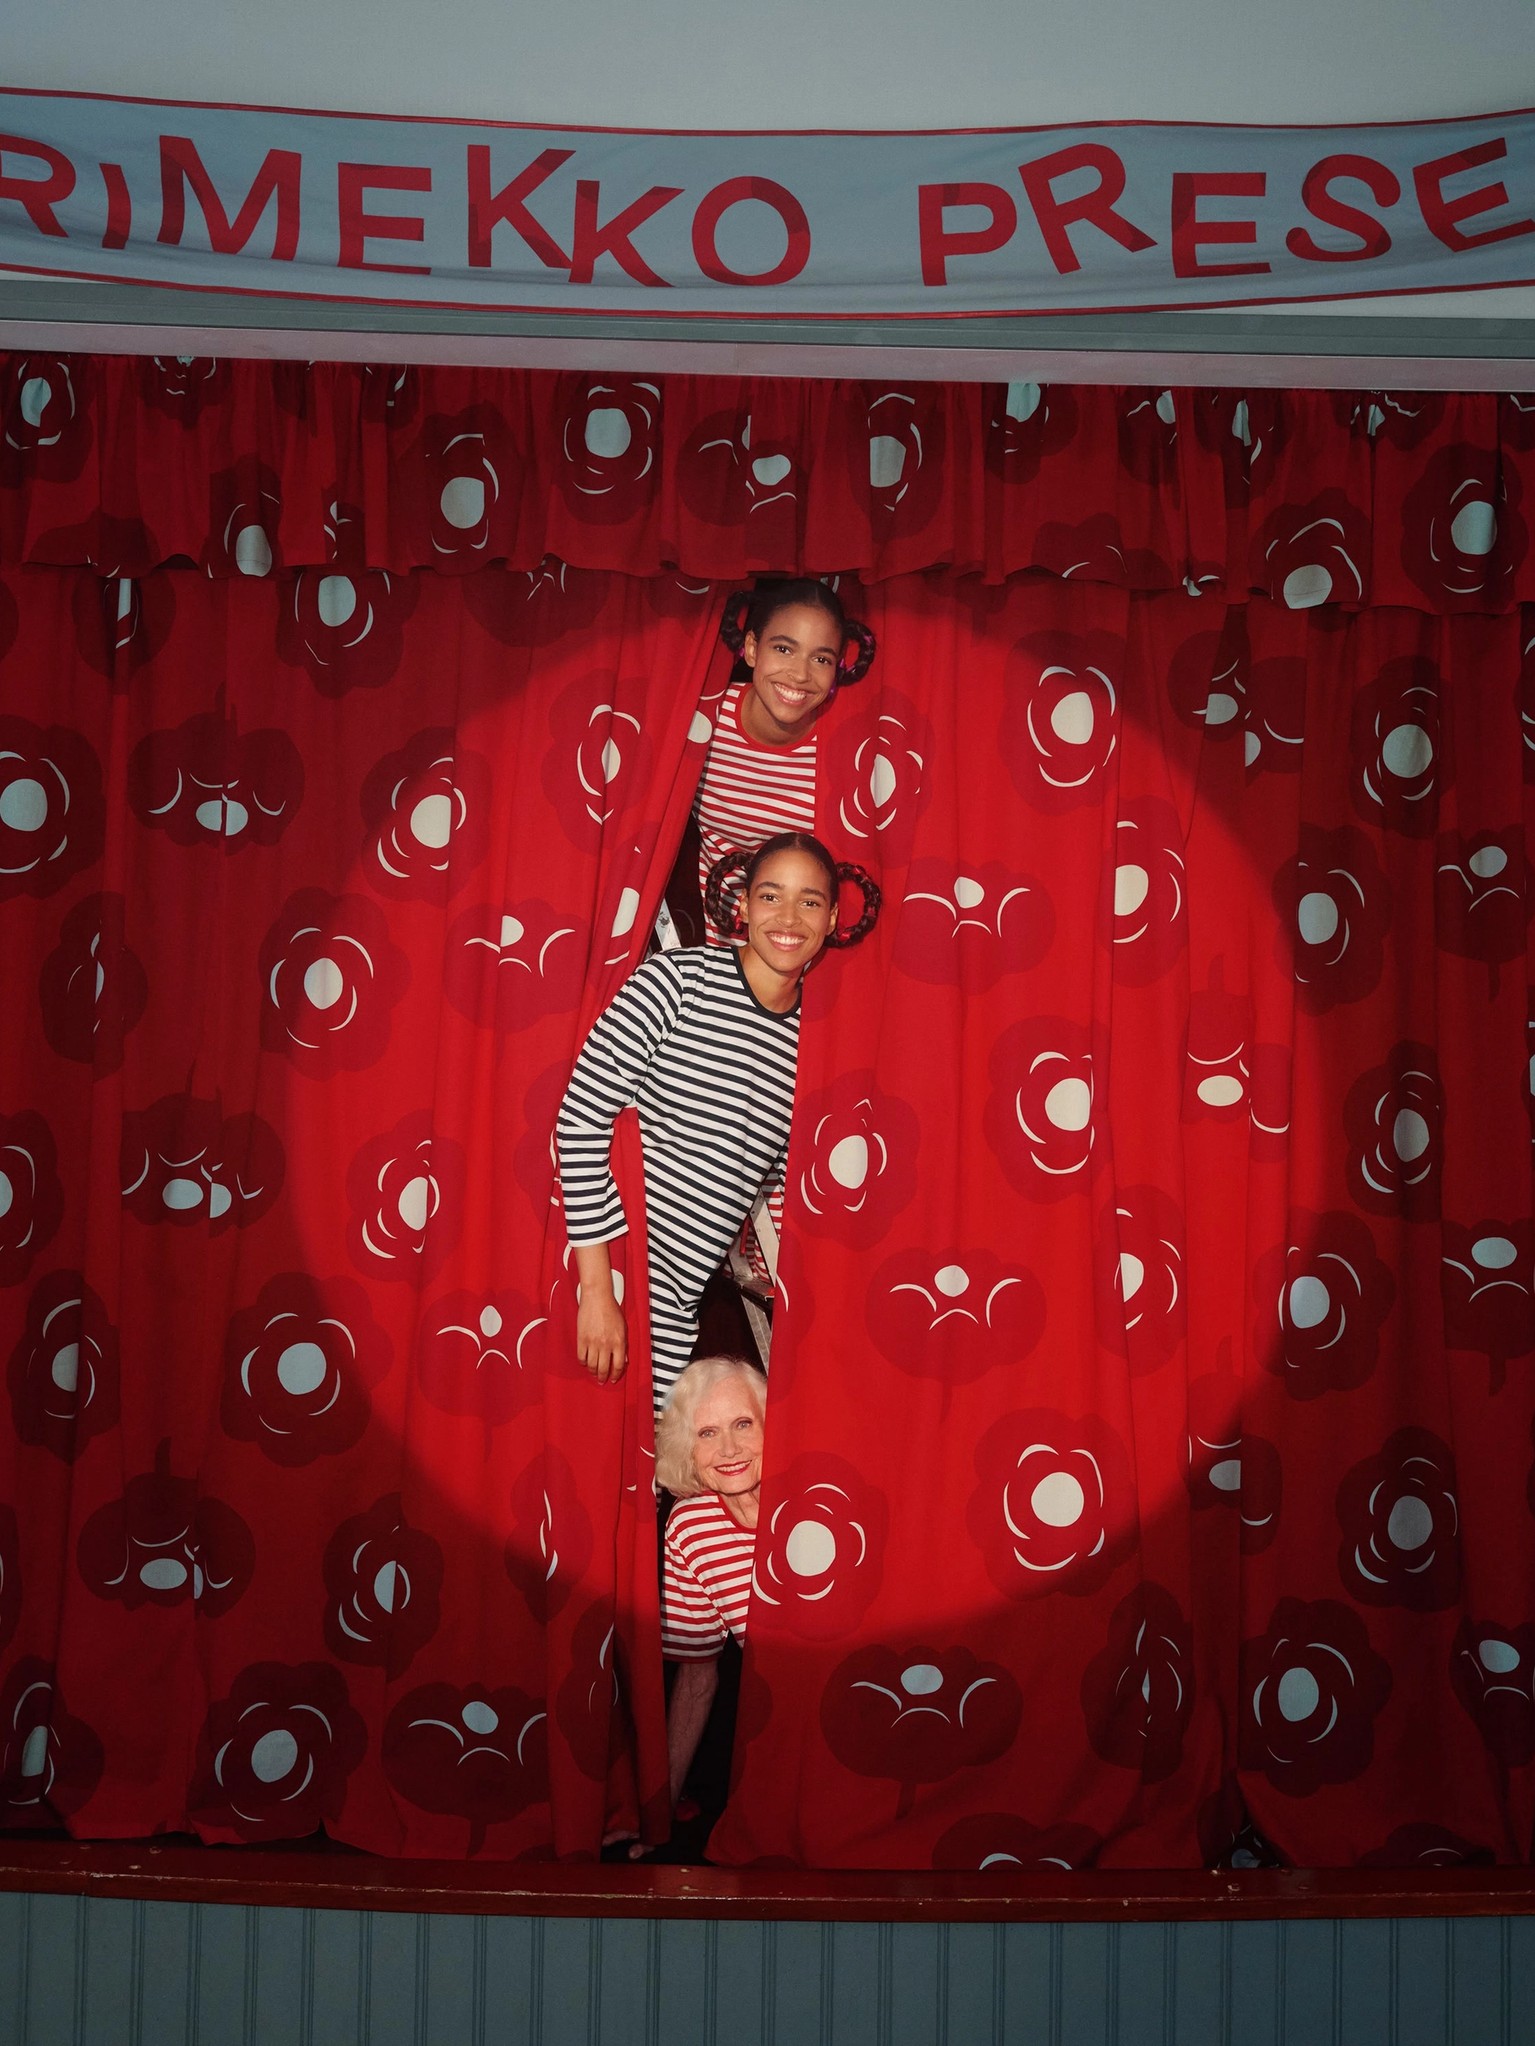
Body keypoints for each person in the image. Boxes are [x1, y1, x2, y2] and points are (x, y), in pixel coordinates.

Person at [556, 833, 880, 1412]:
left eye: (809, 902)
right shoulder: (678, 981)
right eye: (771, 896)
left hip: (679, 1307)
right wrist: (599, 1289)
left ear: (832, 918)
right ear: (745, 904)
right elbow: (579, 1120)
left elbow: (775, 1186)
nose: (787, 917)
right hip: (605, 1274)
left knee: (635, 1483)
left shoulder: (819, 1046)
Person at [693, 580, 877, 932]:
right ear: (751, 648)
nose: (800, 674)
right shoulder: (703, 719)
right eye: (783, 649)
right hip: (720, 950)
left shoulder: (850, 747)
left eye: (820, 658)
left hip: (817, 958)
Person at [654, 1355, 767, 1813]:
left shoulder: (816, 1497)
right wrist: (657, 1805)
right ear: (688, 1450)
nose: (728, 1449)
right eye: (707, 1433)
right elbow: (697, 1676)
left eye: (743, 1424)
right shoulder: (690, 1528)